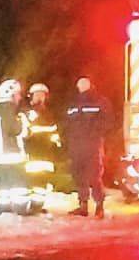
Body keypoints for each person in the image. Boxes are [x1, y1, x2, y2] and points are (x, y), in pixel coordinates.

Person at [63, 76, 108, 217]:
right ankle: (84, 205)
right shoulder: (74, 103)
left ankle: (99, 205)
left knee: (94, 176)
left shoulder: (100, 101)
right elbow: (67, 123)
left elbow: (108, 122)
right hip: (78, 145)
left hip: (91, 144)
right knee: (80, 175)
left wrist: (95, 134)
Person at [0, 78, 29, 209]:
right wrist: (23, 122)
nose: (19, 97)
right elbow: (14, 129)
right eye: (18, 94)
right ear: (11, 94)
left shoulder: (1, 109)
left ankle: (4, 210)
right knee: (18, 187)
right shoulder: (8, 109)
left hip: (2, 156)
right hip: (11, 155)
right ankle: (20, 210)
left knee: (5, 188)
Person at [23, 83, 61, 172]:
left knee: (47, 177)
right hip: (32, 151)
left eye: (42, 95)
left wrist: (57, 142)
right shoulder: (27, 113)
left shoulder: (50, 113)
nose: (40, 97)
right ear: (31, 96)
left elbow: (54, 130)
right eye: (37, 95)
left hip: (47, 153)